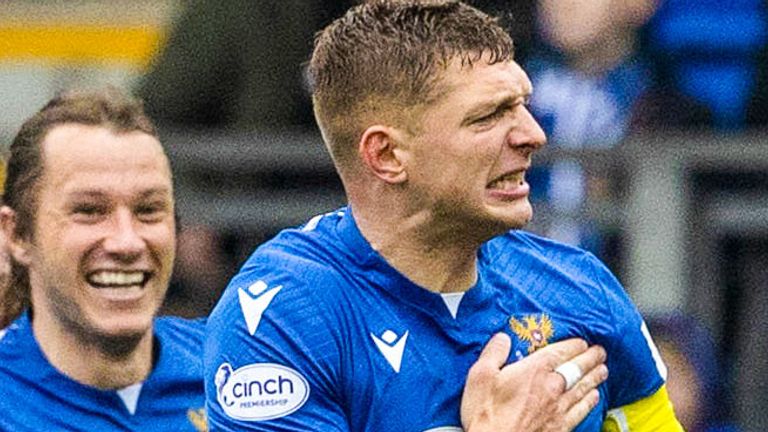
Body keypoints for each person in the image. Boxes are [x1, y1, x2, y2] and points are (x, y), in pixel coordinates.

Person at [204, 1, 682, 431]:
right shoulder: (282, 317)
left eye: (522, 105)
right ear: (387, 154)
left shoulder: (578, 288)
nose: (533, 134)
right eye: (488, 116)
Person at [0, 88, 207, 431]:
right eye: (89, 211)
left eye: (149, 210)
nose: (127, 242)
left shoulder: (237, 372)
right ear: (18, 235)